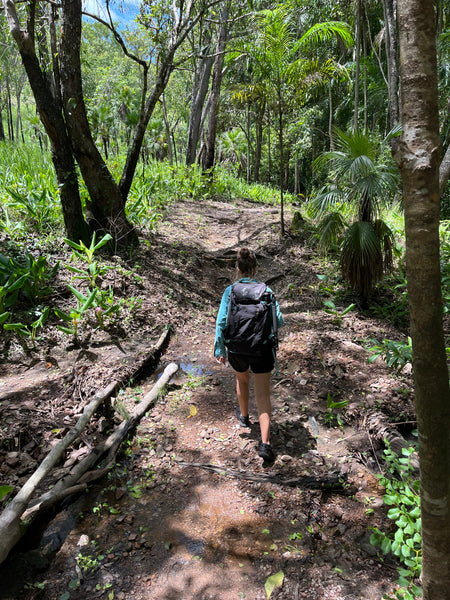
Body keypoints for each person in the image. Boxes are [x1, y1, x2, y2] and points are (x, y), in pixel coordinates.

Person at [214, 247, 284, 462]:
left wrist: (220, 349)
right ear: (255, 268)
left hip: (237, 348)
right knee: (262, 395)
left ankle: (244, 417)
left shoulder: (230, 291)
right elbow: (278, 320)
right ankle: (265, 444)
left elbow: (222, 322)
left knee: (241, 380)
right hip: (261, 349)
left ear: (237, 268)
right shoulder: (267, 291)